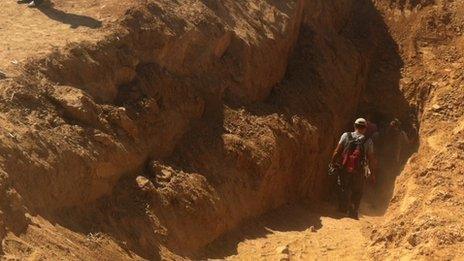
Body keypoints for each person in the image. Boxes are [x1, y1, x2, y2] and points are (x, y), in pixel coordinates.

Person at [330, 118, 376, 219]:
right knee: (358, 190)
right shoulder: (368, 141)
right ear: (365, 129)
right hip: (359, 171)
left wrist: (332, 163)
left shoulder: (345, 135)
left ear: (354, 126)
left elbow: (337, 151)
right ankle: (353, 211)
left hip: (345, 167)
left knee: (343, 187)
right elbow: (371, 159)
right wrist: (372, 173)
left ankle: (342, 208)